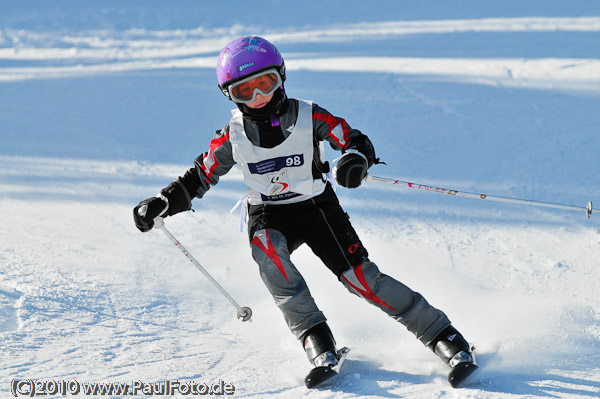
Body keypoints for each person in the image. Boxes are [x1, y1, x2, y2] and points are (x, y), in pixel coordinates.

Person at [134, 36, 476, 388]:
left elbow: (352, 138)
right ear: (230, 96)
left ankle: (442, 335)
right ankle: (317, 339)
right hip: (268, 212)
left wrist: (354, 159)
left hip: (316, 207)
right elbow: (199, 176)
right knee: (269, 254)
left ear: (281, 77)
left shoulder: (309, 115)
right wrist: (163, 202)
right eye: (244, 91)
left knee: (360, 279)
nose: (258, 98)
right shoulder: (232, 136)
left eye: (265, 84)